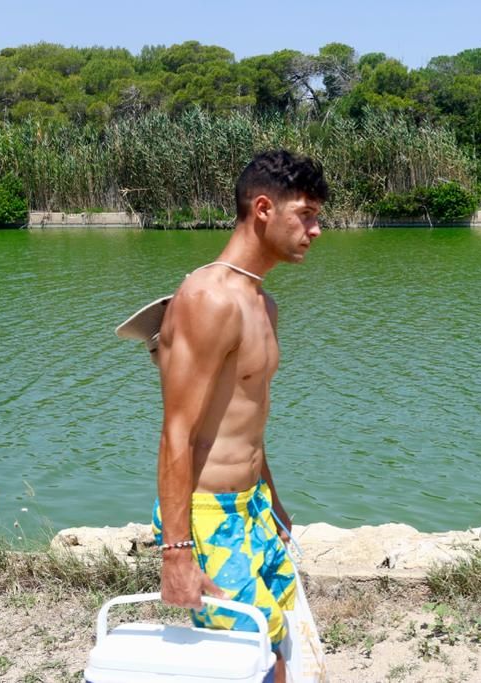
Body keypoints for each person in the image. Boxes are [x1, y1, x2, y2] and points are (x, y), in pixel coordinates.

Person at [151, 149, 328, 683]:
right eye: (307, 215)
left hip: (252, 506)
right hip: (208, 516)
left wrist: (271, 496)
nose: (316, 230)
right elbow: (176, 432)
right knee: (250, 650)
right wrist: (176, 552)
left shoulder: (262, 304)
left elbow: (245, 415)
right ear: (263, 209)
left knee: (278, 639)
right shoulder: (209, 298)